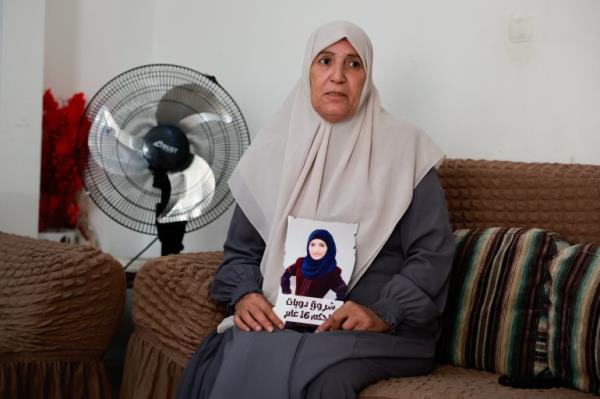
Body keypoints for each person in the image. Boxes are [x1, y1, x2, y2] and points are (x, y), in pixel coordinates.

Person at [176, 21, 455, 399]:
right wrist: (245, 295)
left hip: (375, 327)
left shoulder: (407, 150)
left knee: (315, 374)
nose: (338, 76)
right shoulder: (271, 152)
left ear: (367, 76)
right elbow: (242, 252)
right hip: (287, 317)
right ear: (308, 71)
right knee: (236, 350)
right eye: (325, 61)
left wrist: (385, 312)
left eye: (353, 64)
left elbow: (431, 254)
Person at [280, 229, 347, 300]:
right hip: (293, 308)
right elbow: (286, 275)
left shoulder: (331, 271)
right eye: (312, 245)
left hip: (314, 310)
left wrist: (330, 308)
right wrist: (286, 293)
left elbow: (343, 291)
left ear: (329, 248)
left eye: (321, 245)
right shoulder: (301, 262)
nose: (316, 250)